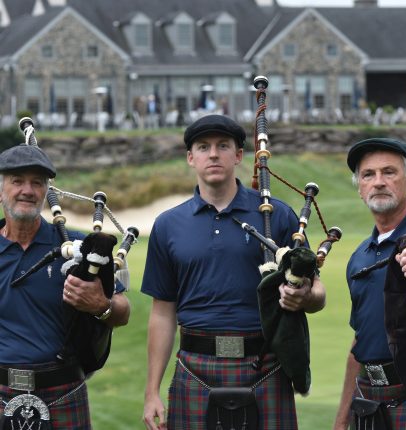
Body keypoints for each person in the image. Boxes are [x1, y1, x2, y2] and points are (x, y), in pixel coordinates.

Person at [141, 114, 326, 430]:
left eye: (223, 146)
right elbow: (162, 313)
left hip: (264, 365)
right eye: (203, 147)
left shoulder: (276, 215)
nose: (213, 154)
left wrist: (302, 296)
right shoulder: (167, 225)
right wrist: (151, 391)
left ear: (239, 155)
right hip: (194, 368)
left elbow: (318, 293)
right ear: (191, 157)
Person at [0, 143, 130, 429]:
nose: (27, 190)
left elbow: (123, 310)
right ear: (1, 190)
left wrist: (102, 305)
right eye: (17, 181)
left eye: (37, 182)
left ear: (47, 192)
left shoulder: (79, 248)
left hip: (62, 391)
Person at [333, 138, 406, 429]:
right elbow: (361, 341)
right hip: (369, 397)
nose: (378, 182)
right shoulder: (359, 258)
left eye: (389, 172)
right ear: (360, 188)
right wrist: (342, 419)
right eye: (368, 175)